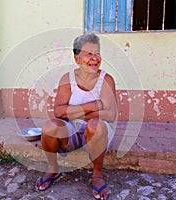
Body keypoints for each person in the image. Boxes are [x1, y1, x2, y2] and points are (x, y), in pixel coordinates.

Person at [35, 33, 117, 200]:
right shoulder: (68, 78)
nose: (95, 58)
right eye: (89, 54)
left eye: (97, 53)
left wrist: (74, 111)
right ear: (77, 58)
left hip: (98, 132)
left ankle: (97, 174)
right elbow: (58, 111)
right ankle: (53, 168)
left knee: (95, 125)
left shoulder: (106, 80)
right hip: (72, 129)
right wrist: (93, 105)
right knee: (50, 126)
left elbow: (110, 114)